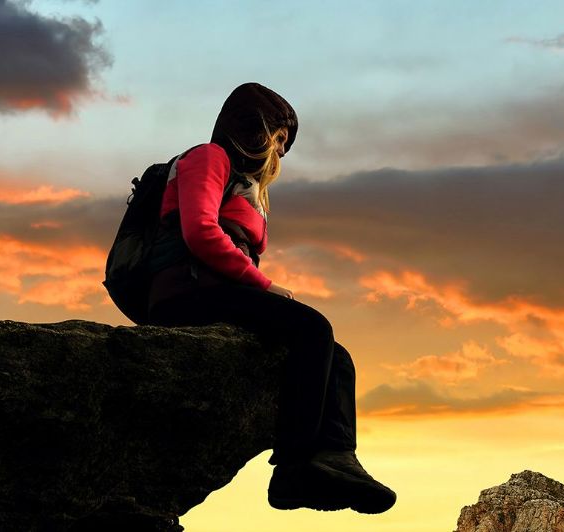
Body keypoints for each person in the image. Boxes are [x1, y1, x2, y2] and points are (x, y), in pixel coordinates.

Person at [144, 82, 396, 514]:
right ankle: (293, 469)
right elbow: (200, 233)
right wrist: (264, 287)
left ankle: (336, 459)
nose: (279, 153)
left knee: (338, 357)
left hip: (215, 292)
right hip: (185, 292)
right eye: (278, 139)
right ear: (253, 127)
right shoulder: (208, 158)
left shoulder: (244, 184)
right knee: (312, 327)